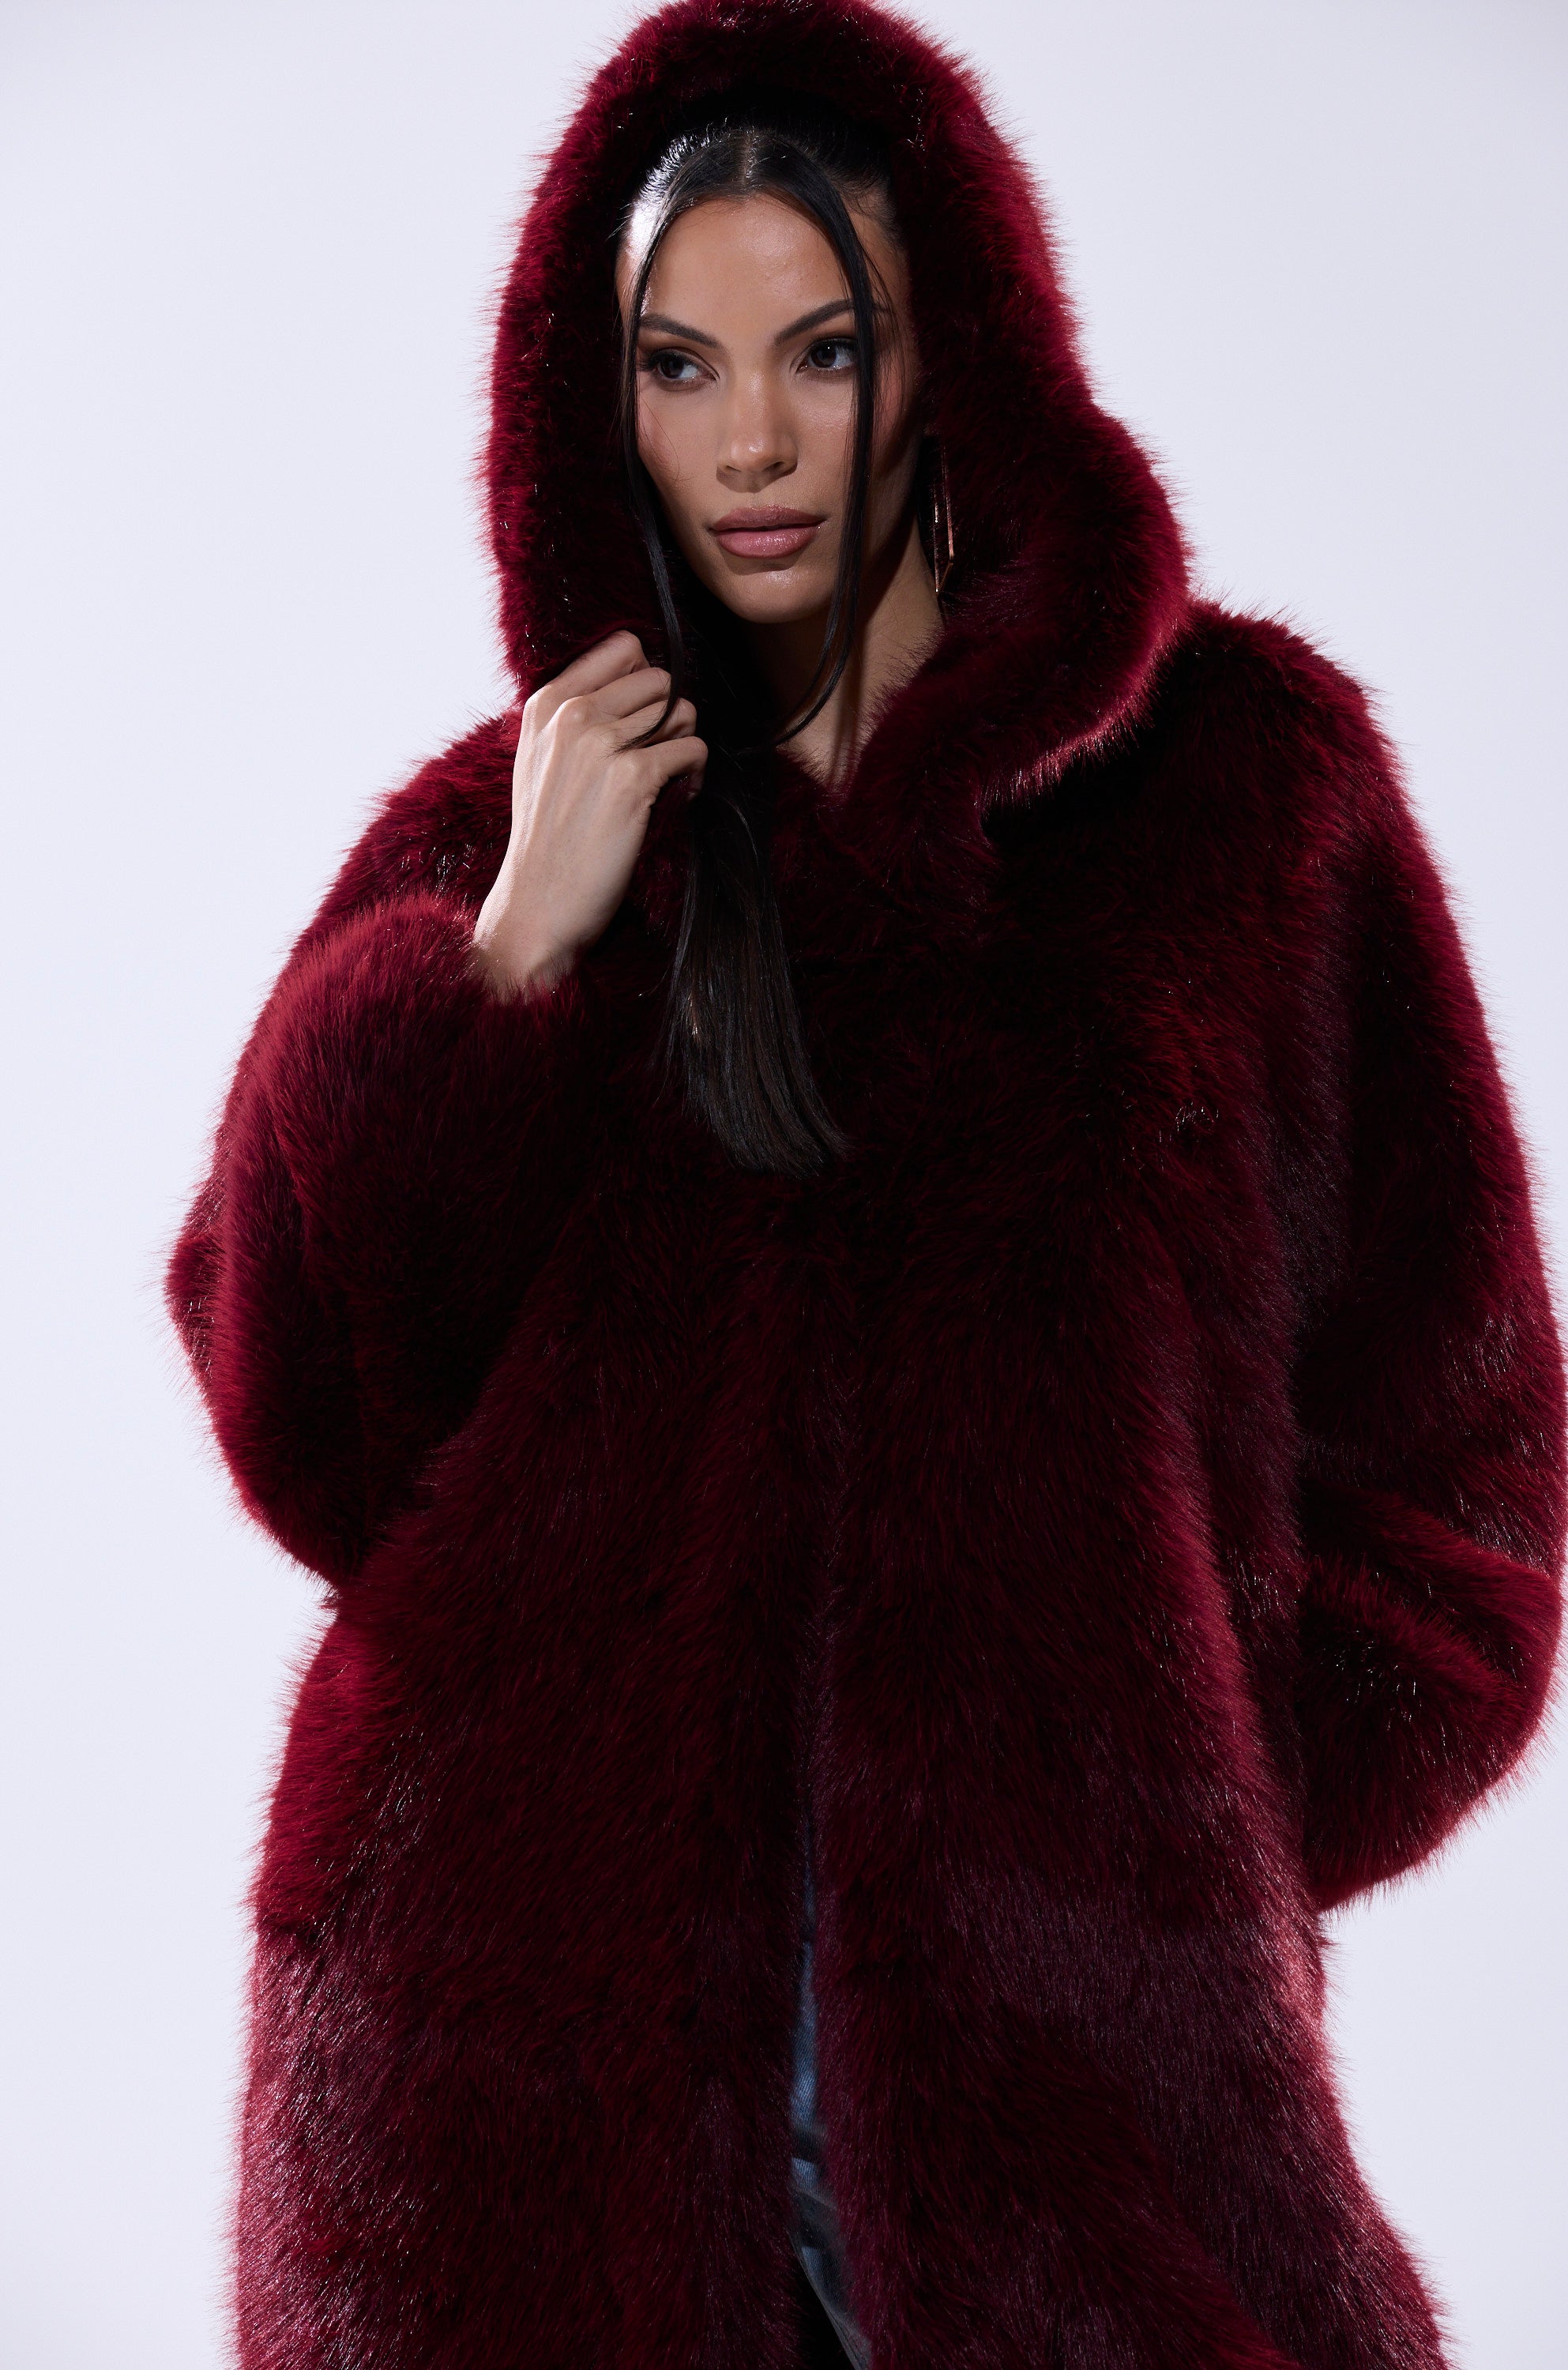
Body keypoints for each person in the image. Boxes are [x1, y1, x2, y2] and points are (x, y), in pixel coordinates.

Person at [167, 1, 1565, 2364]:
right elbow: (305, 1419)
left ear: (958, 351)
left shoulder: (1238, 801)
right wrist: (506, 955)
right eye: (677, 365)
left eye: (820, 348)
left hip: (1082, 2147)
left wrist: (1148, 1815)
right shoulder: (515, 834)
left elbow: (1462, 1476)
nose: (752, 440)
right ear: (591, 401)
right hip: (501, 2123)